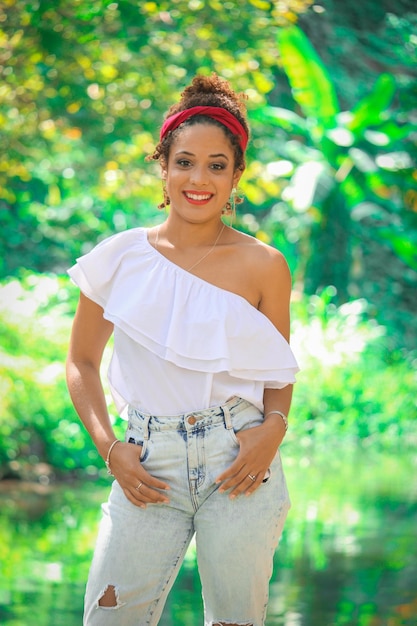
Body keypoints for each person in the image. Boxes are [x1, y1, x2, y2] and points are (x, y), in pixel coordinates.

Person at [66, 73, 299, 626]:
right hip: (147, 462)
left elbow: (278, 367)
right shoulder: (119, 258)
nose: (199, 179)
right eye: (185, 162)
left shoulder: (265, 265)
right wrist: (109, 449)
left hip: (238, 459)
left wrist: (275, 428)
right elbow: (81, 361)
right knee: (108, 618)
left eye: (217, 165)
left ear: (236, 175)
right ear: (163, 167)